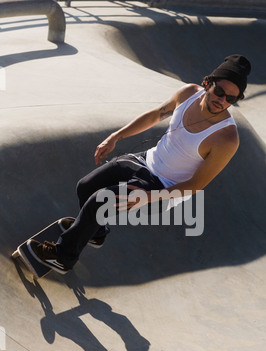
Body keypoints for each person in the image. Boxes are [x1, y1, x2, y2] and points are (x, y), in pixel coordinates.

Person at [28, 54, 251, 274]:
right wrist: (116, 136)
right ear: (207, 83)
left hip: (163, 188)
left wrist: (147, 197)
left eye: (230, 99)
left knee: (99, 202)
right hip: (146, 160)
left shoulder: (226, 139)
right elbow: (155, 115)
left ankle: (63, 257)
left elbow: (195, 186)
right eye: (219, 92)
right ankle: (96, 232)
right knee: (85, 187)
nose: (221, 101)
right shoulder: (188, 93)